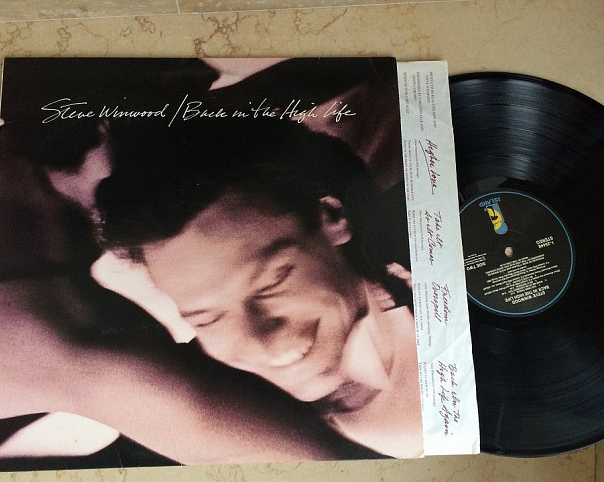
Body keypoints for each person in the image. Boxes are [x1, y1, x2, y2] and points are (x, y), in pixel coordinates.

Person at [91, 115, 423, 459]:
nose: (265, 340)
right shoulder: (198, 406)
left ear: (330, 218)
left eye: (271, 282)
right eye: (207, 319)